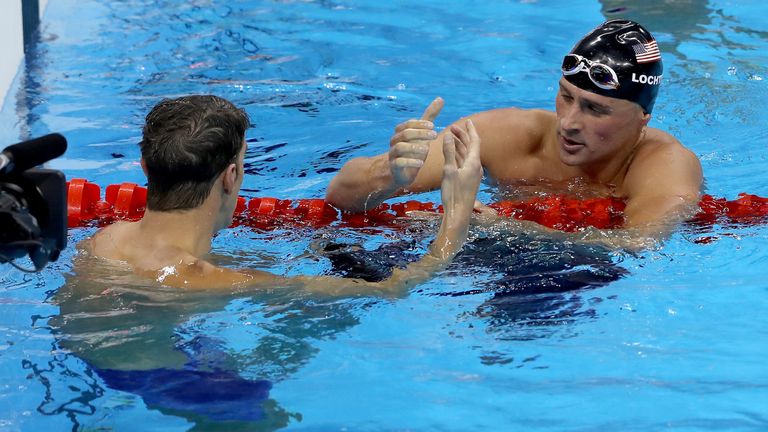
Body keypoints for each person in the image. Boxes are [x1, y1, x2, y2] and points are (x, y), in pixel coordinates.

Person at [325, 20, 703, 250]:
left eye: (595, 109)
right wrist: (389, 175)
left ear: (642, 119)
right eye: (566, 97)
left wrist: (510, 230)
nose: (569, 122)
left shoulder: (665, 165)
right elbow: (340, 198)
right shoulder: (509, 134)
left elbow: (640, 243)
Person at [81, 94, 482, 294]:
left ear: (145, 168)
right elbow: (393, 290)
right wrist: (457, 214)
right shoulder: (214, 280)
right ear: (231, 176)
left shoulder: (103, 242)